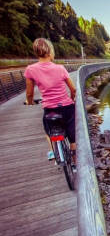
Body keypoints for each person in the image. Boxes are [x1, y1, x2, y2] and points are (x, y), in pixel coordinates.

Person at [24, 38, 77, 167]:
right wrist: (72, 98)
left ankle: (54, 152)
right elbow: (73, 89)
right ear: (50, 51)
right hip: (67, 106)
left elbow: (29, 93)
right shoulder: (60, 68)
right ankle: (75, 161)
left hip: (50, 108)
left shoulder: (30, 69)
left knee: (48, 130)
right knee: (71, 130)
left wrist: (30, 102)